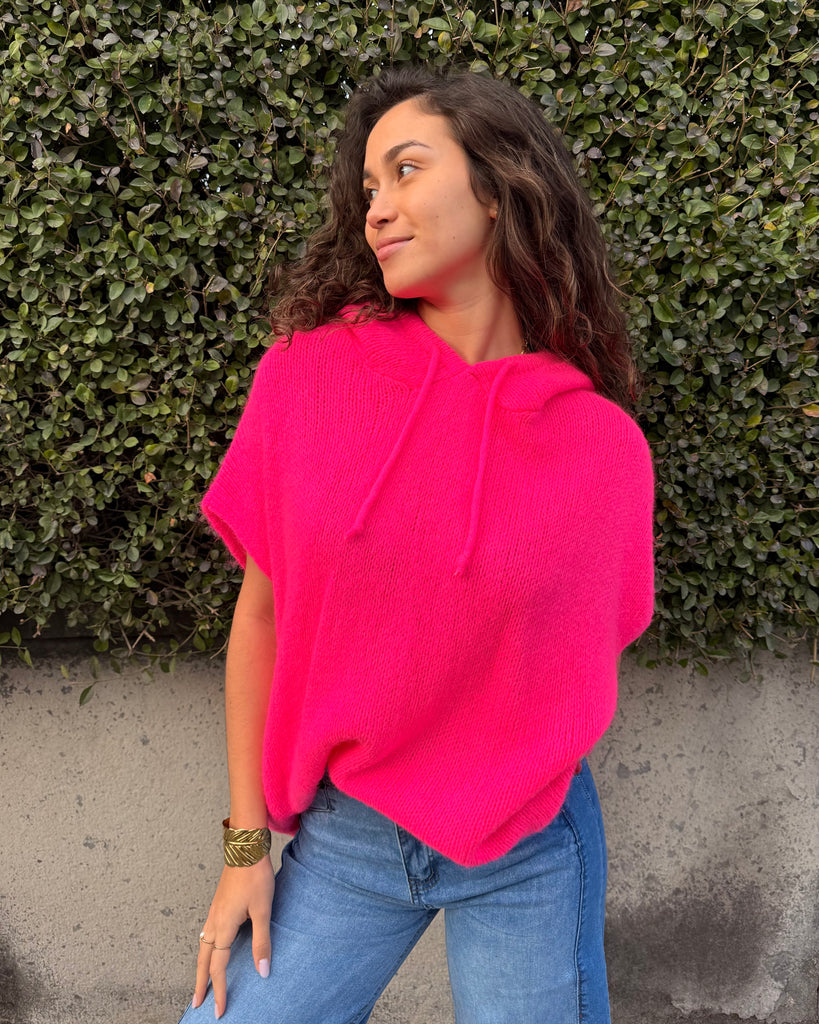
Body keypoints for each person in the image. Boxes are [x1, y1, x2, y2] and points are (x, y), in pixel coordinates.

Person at [179, 65, 655, 1024]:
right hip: (349, 836)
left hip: (527, 843)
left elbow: (575, 664)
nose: (377, 210)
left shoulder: (599, 444)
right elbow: (260, 621)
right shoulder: (306, 378)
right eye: (367, 189)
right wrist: (243, 851)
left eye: (404, 171)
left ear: (498, 186)